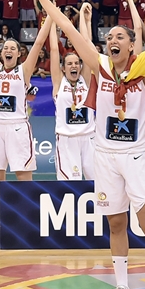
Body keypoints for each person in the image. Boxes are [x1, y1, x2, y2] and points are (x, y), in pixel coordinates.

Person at [33, 0, 145, 289]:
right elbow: (69, 30)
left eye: (120, 36)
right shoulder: (100, 66)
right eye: (110, 38)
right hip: (105, 155)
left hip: (135, 154)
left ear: (132, 45)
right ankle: (122, 288)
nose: (113, 40)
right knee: (116, 223)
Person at [0, 0, 51, 182]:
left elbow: (39, 42)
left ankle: (26, 210)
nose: (8, 50)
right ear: (1, 54)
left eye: (13, 48)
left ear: (19, 54)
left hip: (17, 126)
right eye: (6, 48)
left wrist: (50, 17)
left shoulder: (24, 71)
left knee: (24, 177)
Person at [51, 19, 95, 181]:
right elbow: (54, 50)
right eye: (69, 63)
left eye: (77, 63)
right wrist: (52, 22)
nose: (74, 66)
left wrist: (86, 20)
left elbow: (87, 47)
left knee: (97, 182)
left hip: (89, 137)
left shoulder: (86, 80)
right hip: (66, 139)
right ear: (63, 67)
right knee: (70, 184)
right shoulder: (58, 81)